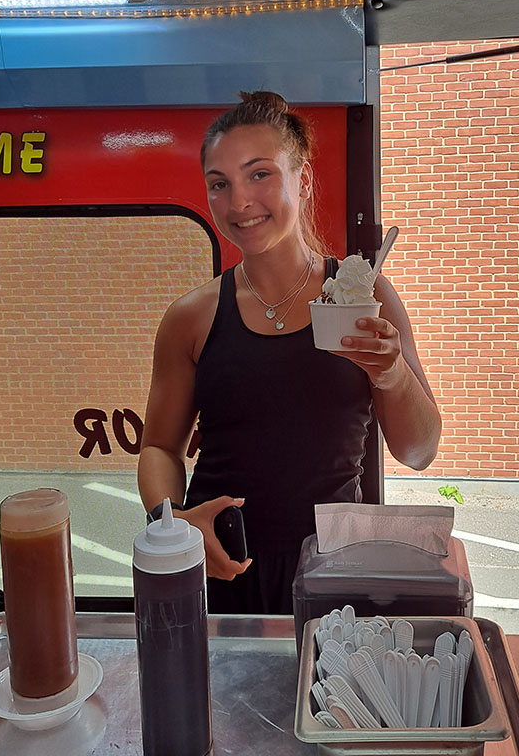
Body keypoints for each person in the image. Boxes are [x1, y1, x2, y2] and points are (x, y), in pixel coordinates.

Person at [137, 91, 441, 614]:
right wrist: (174, 518)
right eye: (220, 184)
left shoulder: (365, 296)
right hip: (224, 565)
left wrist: (391, 374)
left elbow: (418, 452)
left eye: (259, 175)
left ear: (302, 180)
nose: (239, 203)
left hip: (333, 571)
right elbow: (159, 449)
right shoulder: (191, 317)